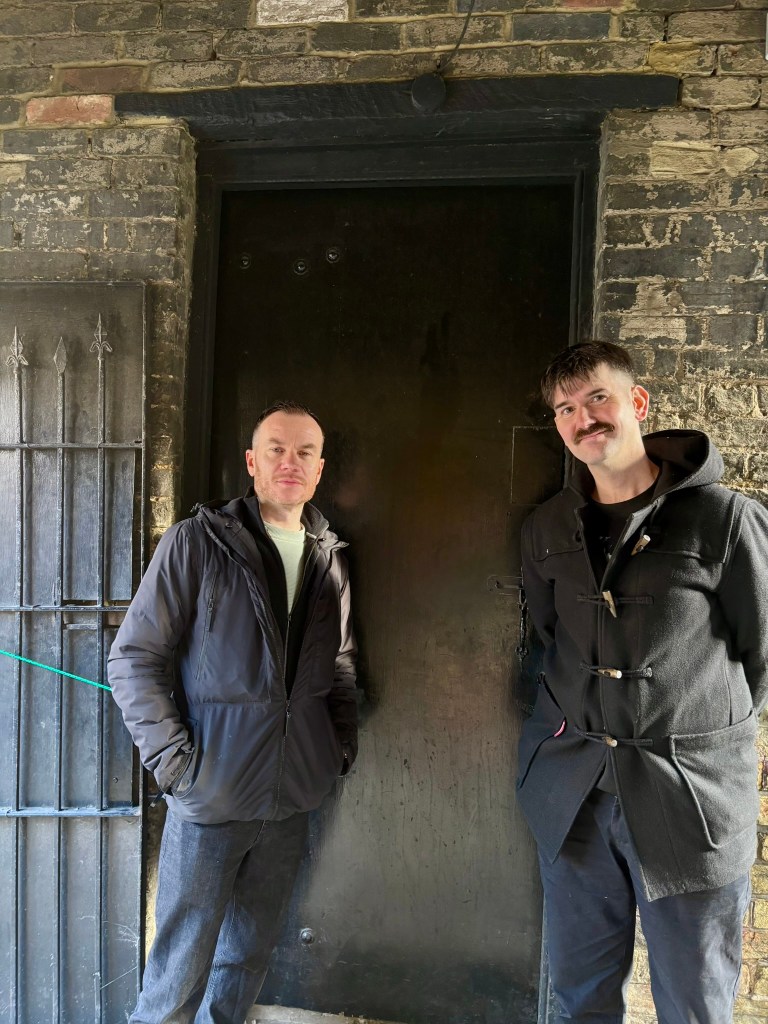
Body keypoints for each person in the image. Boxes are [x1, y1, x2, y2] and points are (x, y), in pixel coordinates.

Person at [517, 341, 768, 1023]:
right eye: (566, 408)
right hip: (575, 802)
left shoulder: (724, 519)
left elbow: (760, 654)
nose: (582, 417)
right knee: (578, 1002)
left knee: (694, 1007)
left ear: (636, 402)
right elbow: (548, 642)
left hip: (688, 807)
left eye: (596, 397)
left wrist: (696, 734)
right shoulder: (545, 530)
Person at [109, 401, 357, 1024]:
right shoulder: (199, 541)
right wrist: (176, 765)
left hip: (292, 796)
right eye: (276, 448)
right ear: (252, 461)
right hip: (211, 794)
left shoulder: (330, 554)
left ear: (320, 470)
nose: (289, 462)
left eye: (304, 452)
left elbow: (345, 666)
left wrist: (336, 749)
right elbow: (134, 658)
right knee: (177, 973)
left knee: (246, 957)